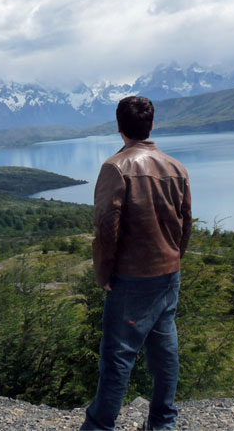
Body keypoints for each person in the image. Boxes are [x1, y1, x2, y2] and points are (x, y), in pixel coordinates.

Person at [81, 95, 192, 431]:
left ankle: (99, 426)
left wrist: (104, 271)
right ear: (151, 125)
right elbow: (186, 222)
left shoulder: (115, 168)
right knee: (164, 351)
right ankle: (162, 423)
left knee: (117, 357)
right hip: (168, 274)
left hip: (132, 279)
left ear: (119, 127)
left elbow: (105, 227)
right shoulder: (176, 168)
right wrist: (174, 258)